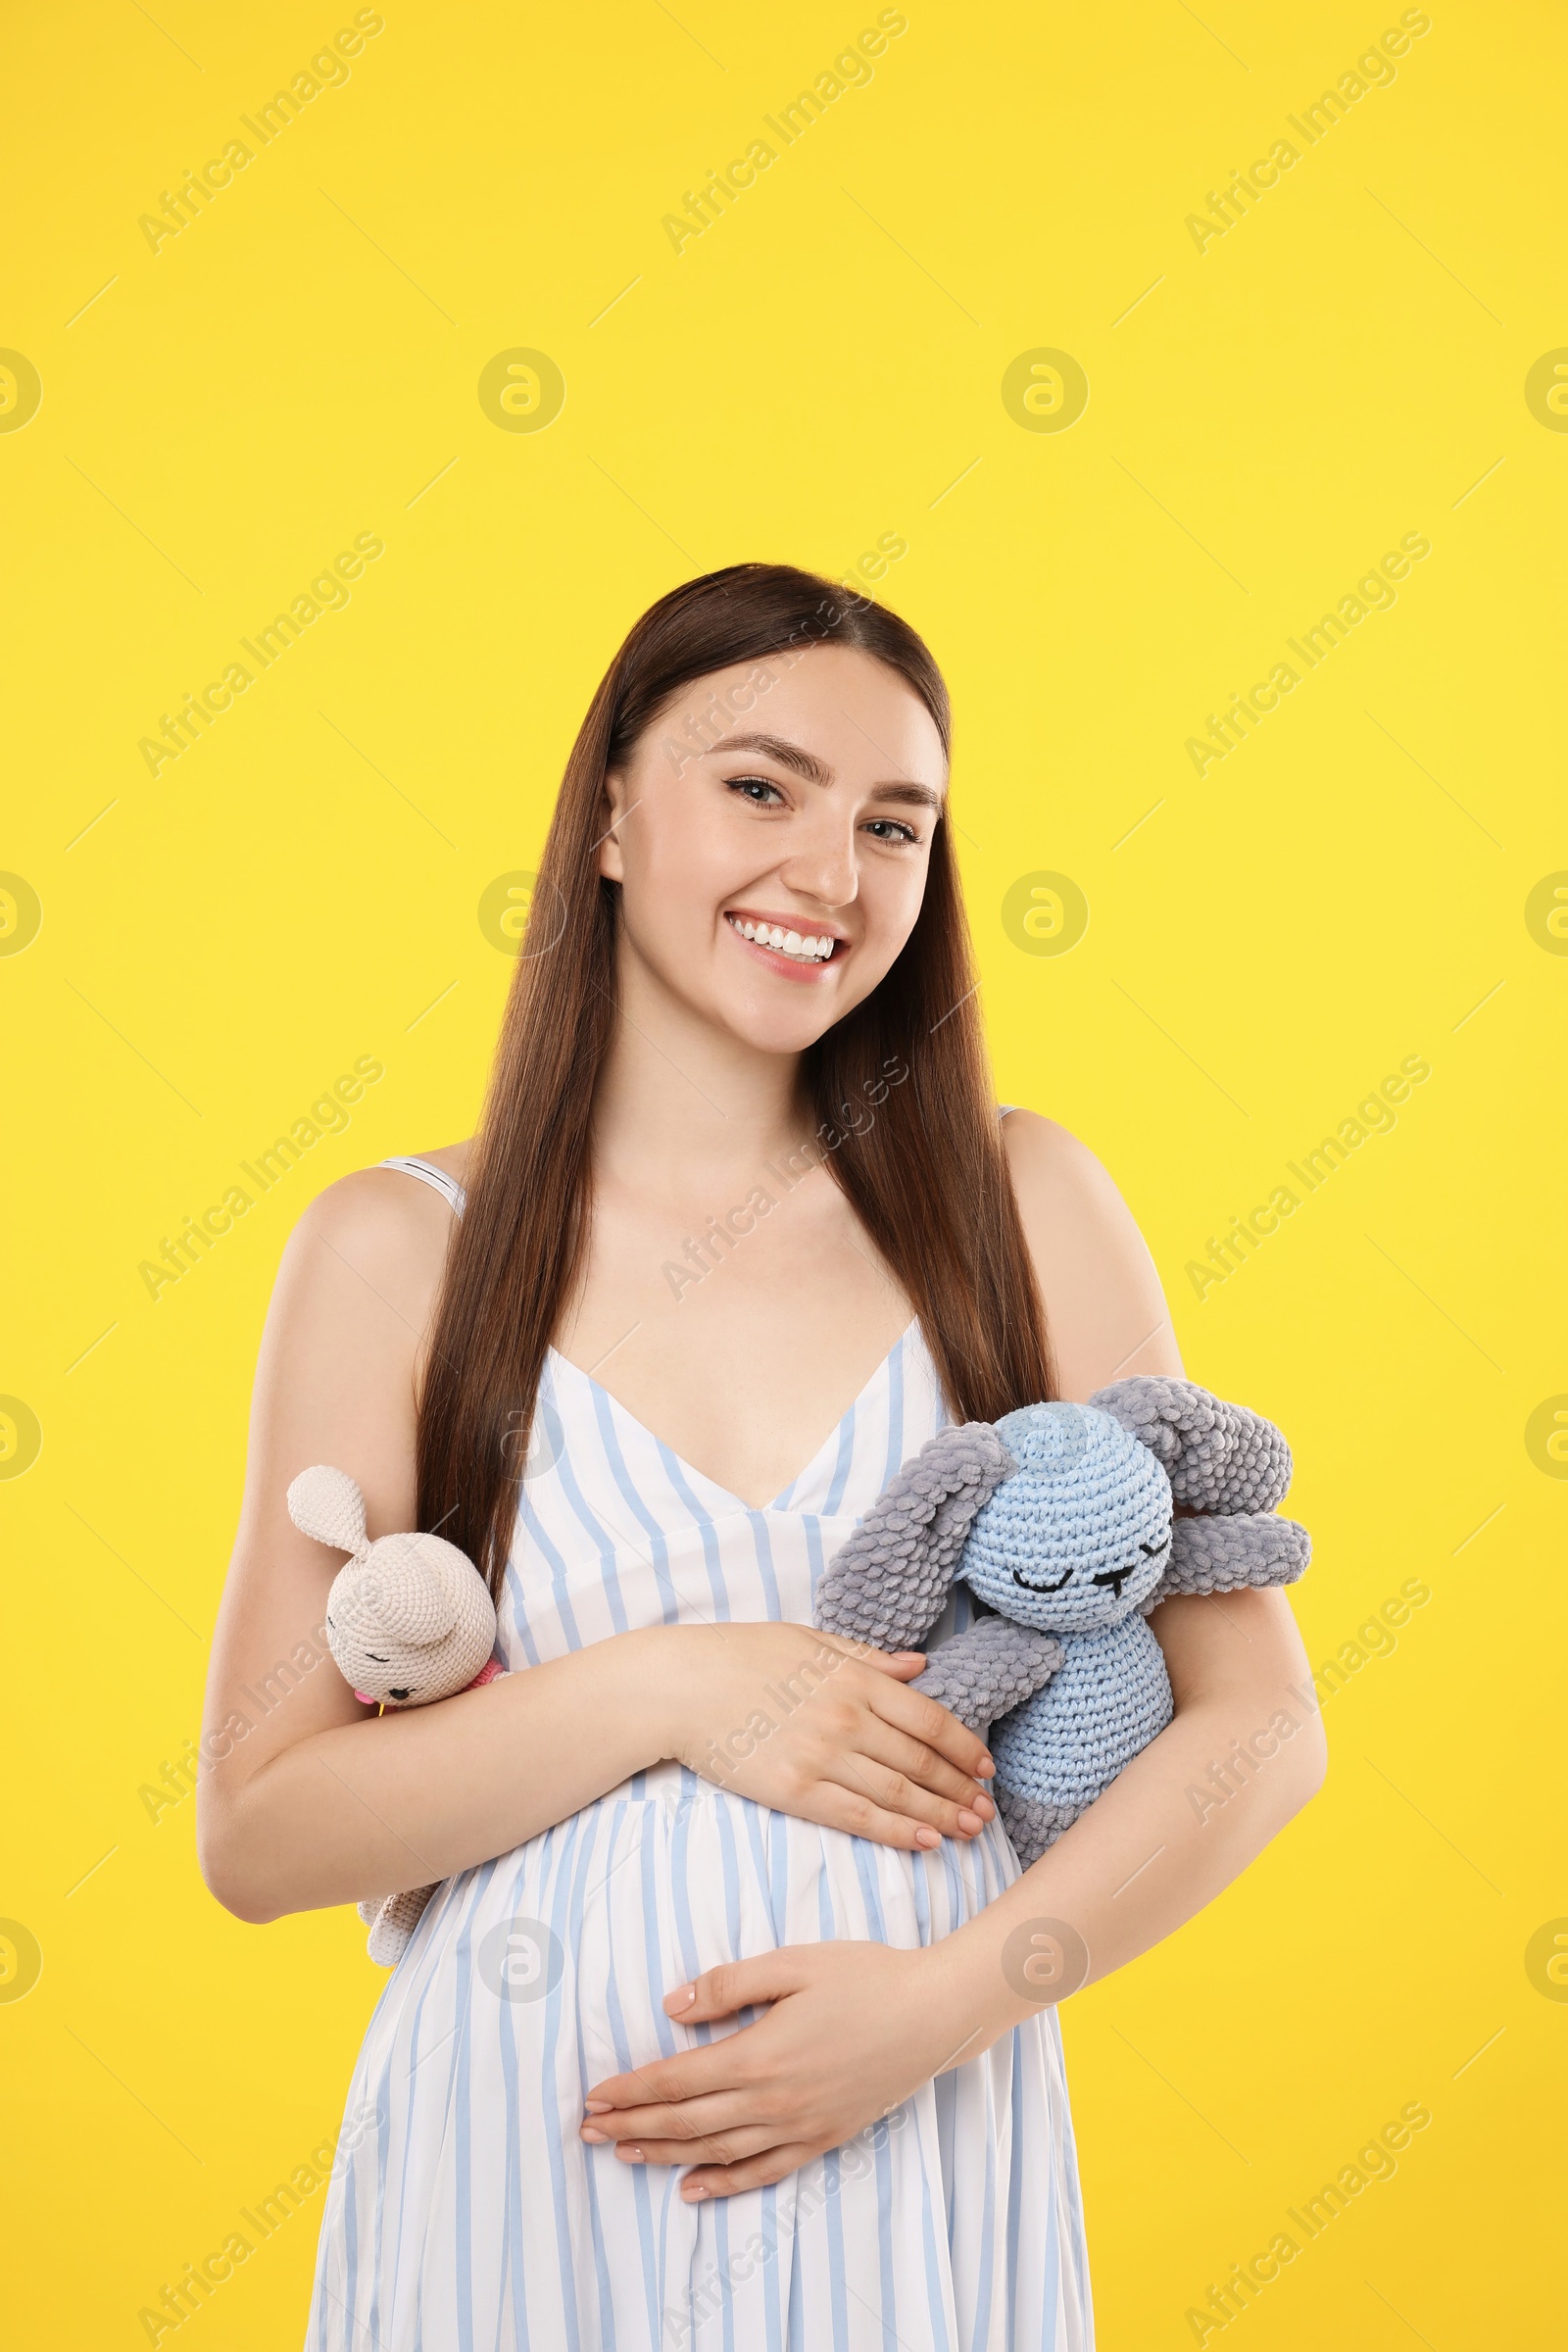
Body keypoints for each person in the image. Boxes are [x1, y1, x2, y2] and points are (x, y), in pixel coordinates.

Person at [197, 564, 1325, 2348]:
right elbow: (259, 1828)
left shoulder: (1025, 1207)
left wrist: (940, 2013)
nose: (832, 874)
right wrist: (674, 1686)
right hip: (516, 2191)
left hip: (924, 2159)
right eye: (760, 788)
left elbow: (1259, 1725)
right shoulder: (398, 1246)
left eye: (896, 822)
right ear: (612, 817)